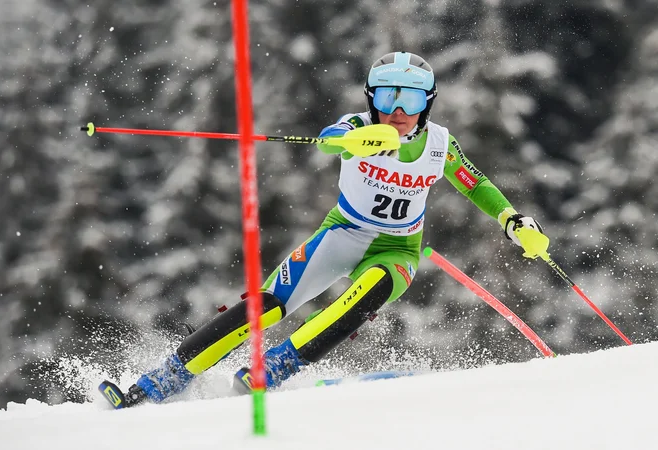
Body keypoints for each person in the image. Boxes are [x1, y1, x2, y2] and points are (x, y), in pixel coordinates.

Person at [99, 51, 546, 408]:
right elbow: (332, 135)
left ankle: (272, 368)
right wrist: (343, 139)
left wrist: (512, 220)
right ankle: (160, 380)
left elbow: (476, 184)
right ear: (371, 100)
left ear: (427, 103)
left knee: (371, 288)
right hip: (341, 234)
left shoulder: (439, 144)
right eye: (387, 98)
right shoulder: (358, 128)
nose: (397, 111)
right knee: (268, 305)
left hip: (398, 249)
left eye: (410, 100)